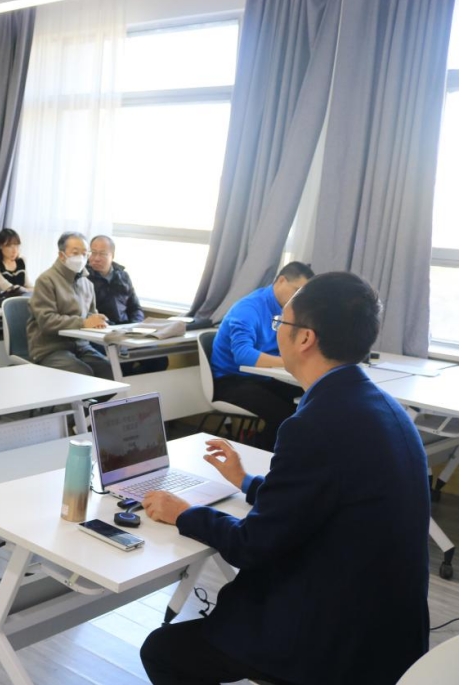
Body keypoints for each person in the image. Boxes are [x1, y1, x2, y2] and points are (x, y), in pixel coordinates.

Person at [140, 272, 430, 685]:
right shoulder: (382, 405)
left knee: (163, 651)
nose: (277, 331)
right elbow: (320, 499)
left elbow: (252, 545)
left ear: (305, 338)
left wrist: (184, 513)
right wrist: (246, 481)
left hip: (335, 642)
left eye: (281, 323)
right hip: (390, 630)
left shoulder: (315, 424)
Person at [209, 262, 314, 449]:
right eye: (296, 291)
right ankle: (266, 455)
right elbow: (243, 355)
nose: (299, 299)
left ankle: (288, 453)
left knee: (311, 400)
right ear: (281, 281)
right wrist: (287, 361)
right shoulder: (248, 308)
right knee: (284, 414)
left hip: (262, 378)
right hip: (230, 380)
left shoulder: (288, 310)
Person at [26, 232, 113, 379]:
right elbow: (47, 320)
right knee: (82, 374)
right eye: (75, 253)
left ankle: (88, 399)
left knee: (109, 371)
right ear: (62, 255)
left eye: (84, 254)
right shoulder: (46, 280)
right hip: (50, 348)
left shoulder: (87, 283)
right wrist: (83, 322)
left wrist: (97, 321)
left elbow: (90, 314)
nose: (81, 258)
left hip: (81, 346)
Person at [85, 235, 165, 375]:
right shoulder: (83, 277)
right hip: (101, 333)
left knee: (159, 359)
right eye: (93, 252)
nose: (96, 258)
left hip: (126, 331)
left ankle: (135, 383)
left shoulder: (122, 276)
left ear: (112, 255)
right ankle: (125, 383)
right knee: (120, 362)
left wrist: (134, 327)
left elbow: (135, 308)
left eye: (102, 254)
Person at [0, 228, 32, 296]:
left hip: (20, 300)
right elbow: (9, 289)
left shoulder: (21, 262)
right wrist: (28, 290)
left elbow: (28, 286)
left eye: (17, 246)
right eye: (10, 246)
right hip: (1, 302)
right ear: (0, 246)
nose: (14, 250)